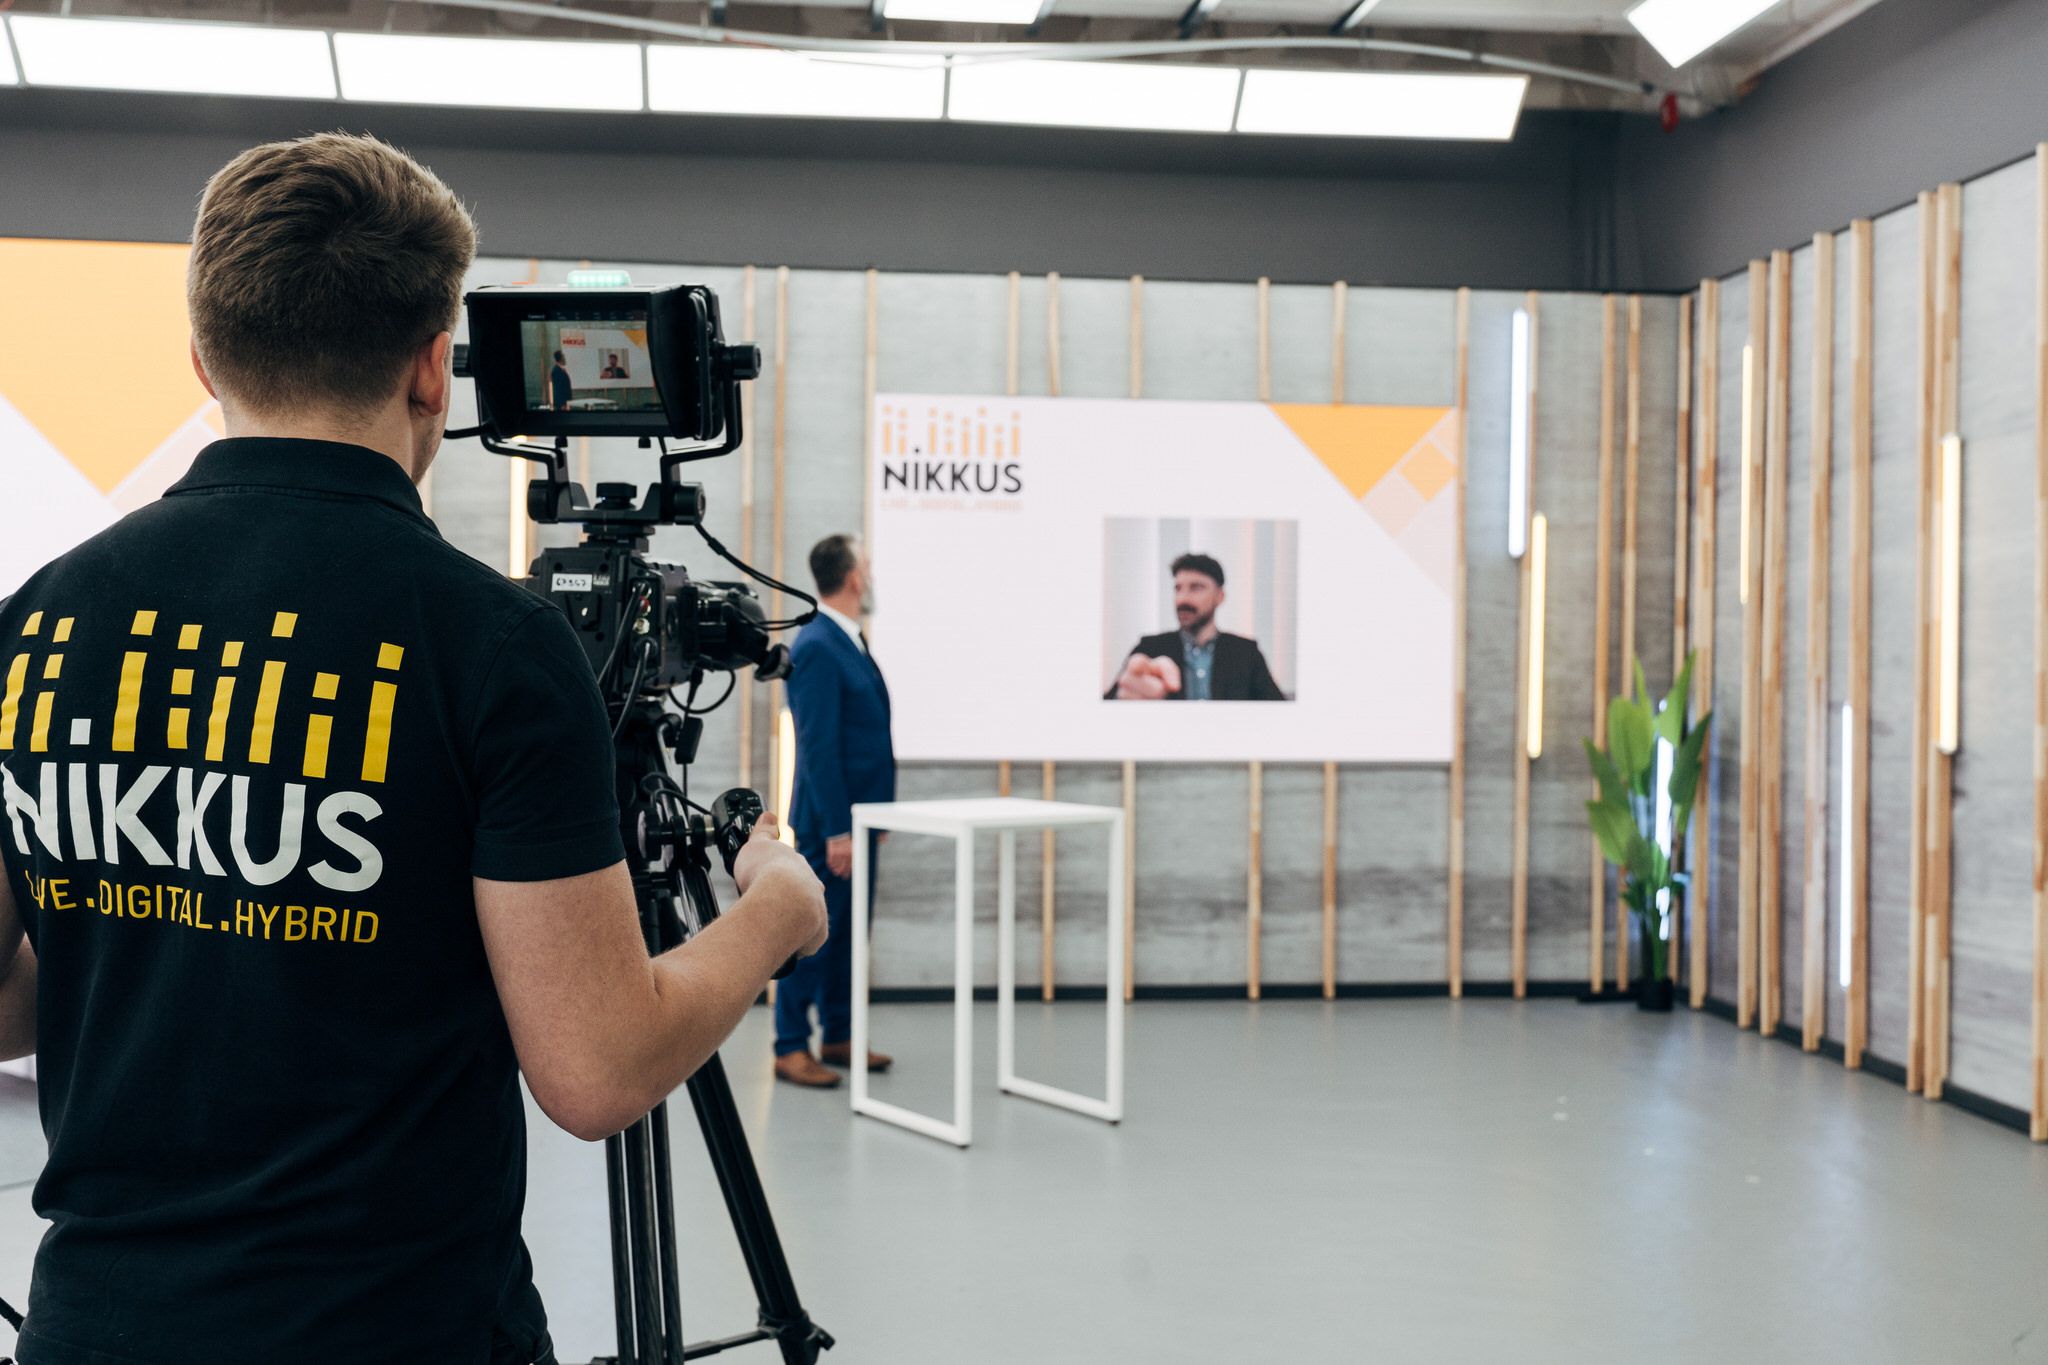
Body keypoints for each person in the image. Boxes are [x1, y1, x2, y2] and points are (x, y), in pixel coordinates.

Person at [0, 133, 827, 1365]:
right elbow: (598, 1071)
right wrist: (777, 911)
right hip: (398, 1329)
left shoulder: (35, 620)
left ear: (204, 358)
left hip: (100, 1329)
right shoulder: (493, 646)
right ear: (434, 370)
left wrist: (148, 932)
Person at [775, 534, 897, 1088]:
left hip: (859, 821)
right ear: (853, 578)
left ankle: (840, 1035)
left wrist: (876, 818)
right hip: (833, 826)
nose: (870, 575)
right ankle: (789, 1045)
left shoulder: (847, 638)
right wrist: (840, 830)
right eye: (866, 566)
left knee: (848, 936)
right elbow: (819, 747)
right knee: (814, 936)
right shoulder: (818, 645)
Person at [1107, 551, 1287, 701]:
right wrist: (1124, 700)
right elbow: (1111, 702)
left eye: (1196, 588)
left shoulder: (1246, 653)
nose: (1182, 599)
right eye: (1178, 588)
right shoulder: (1150, 648)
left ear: (1220, 597)